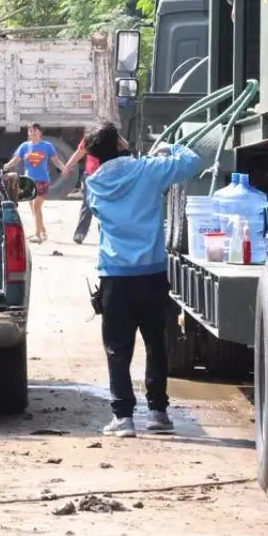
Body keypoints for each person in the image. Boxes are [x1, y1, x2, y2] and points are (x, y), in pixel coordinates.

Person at [83, 121, 201, 438]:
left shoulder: (93, 185)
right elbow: (193, 161)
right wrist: (169, 148)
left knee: (117, 349)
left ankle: (123, 418)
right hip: (151, 274)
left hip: (114, 276)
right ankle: (158, 413)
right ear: (120, 144)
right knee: (156, 344)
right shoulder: (149, 170)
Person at [63, 130, 129, 244]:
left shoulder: (112, 138)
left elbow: (125, 147)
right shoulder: (90, 138)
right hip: (90, 176)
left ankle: (104, 234)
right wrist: (68, 165)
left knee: (104, 206)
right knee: (87, 204)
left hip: (106, 175)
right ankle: (80, 233)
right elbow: (80, 152)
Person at [3, 123, 65, 243]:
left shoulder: (47, 146)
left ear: (40, 133)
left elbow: (56, 160)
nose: (33, 133)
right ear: (28, 133)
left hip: (43, 180)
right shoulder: (24, 146)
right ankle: (43, 231)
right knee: (34, 209)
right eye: (31, 131)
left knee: (37, 206)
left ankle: (37, 235)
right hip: (29, 181)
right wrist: (6, 166)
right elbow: (16, 160)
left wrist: (64, 168)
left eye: (35, 130)